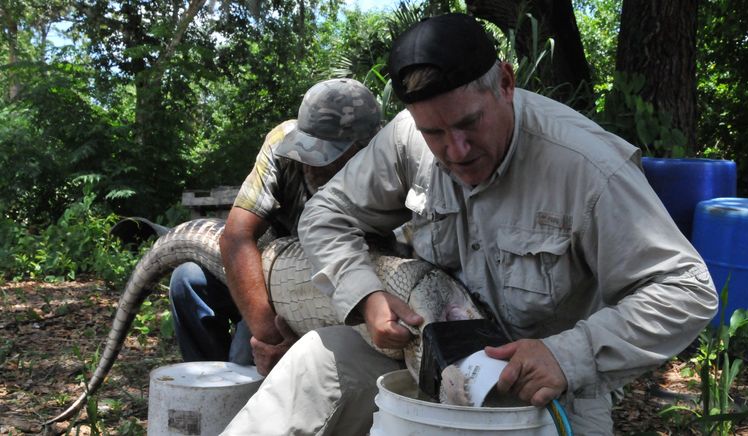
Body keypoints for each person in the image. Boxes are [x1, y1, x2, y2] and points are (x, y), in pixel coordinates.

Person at [222, 13, 718, 435]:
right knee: (315, 360)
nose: (454, 151)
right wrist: (366, 294)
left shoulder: (586, 168)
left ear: (505, 82)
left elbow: (686, 289)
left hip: (544, 395)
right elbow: (326, 215)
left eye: (468, 124)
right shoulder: (405, 139)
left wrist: (569, 354)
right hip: (425, 358)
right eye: (434, 132)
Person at [168, 78, 382, 374]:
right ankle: (210, 388)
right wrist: (271, 337)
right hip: (276, 275)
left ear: (363, 148)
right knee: (189, 281)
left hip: (339, 290)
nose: (309, 164)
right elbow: (236, 237)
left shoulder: (388, 166)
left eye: (326, 155)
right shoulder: (283, 141)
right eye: (306, 148)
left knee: (247, 361)